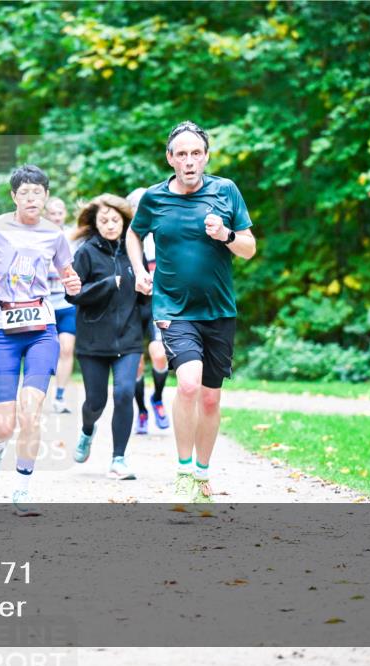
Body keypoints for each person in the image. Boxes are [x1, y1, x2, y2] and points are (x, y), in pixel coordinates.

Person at [125, 121, 257, 503]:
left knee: (211, 398)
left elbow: (249, 247)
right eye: (180, 154)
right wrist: (138, 272)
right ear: (170, 158)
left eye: (195, 153)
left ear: (206, 156)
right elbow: (135, 232)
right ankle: (183, 471)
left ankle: (202, 474)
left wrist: (226, 236)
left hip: (218, 309)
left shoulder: (226, 191)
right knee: (187, 384)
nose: (188, 160)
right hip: (172, 307)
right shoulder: (154, 198)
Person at [0, 164, 81, 516]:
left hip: (42, 329)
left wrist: (73, 285)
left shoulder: (54, 235)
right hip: (2, 331)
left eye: (37, 192)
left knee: (31, 413)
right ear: (13, 196)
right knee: (4, 423)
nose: (31, 198)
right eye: (24, 192)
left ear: (45, 196)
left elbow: (68, 276)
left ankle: (23, 487)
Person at [66, 194, 146, 480]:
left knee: (124, 393)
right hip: (92, 342)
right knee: (95, 403)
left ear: (124, 222)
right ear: (95, 224)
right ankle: (88, 430)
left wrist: (156, 333)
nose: (110, 225)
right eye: (104, 221)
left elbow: (144, 299)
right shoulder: (86, 253)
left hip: (129, 338)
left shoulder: (133, 253)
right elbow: (72, 294)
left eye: (115, 220)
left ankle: (119, 459)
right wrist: (108, 284)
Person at [126, 188, 171, 434]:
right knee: (136, 364)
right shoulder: (123, 236)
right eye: (137, 206)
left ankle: (158, 399)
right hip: (131, 307)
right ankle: (141, 410)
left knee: (160, 354)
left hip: (157, 304)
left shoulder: (161, 233)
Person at [43, 196, 78, 414]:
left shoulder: (73, 237)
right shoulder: (37, 236)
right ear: (46, 215)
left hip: (67, 304)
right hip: (42, 305)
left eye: (60, 212)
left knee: (67, 349)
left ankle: (59, 395)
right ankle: (37, 392)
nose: (57, 216)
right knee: (45, 352)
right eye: (52, 213)